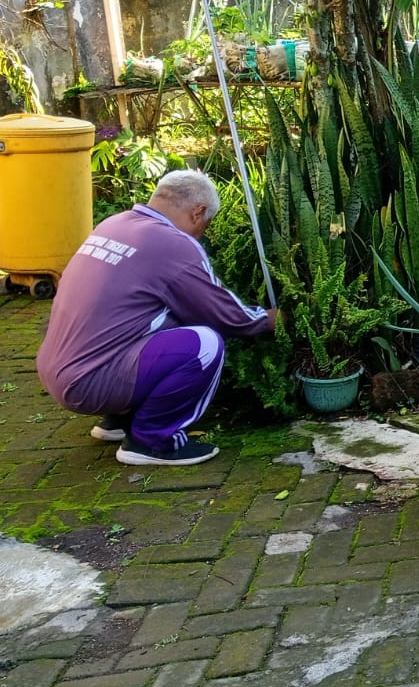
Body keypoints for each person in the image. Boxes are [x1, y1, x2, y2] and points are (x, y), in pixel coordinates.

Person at [35, 169, 277, 467]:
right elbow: (224, 315)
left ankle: (119, 419)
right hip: (91, 382)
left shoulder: (114, 224)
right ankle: (152, 440)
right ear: (197, 212)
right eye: (206, 226)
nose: (202, 234)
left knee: (161, 318)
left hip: (58, 370)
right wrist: (270, 319)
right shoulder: (173, 243)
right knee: (205, 343)